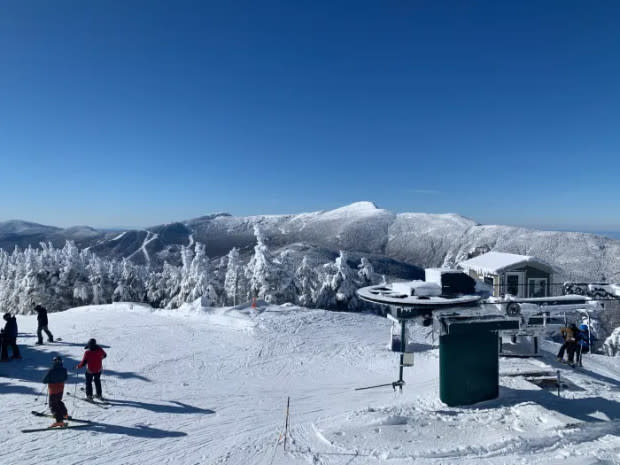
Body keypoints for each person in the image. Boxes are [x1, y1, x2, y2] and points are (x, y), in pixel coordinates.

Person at [42, 356, 69, 427]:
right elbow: (66, 378)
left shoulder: (51, 370)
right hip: (60, 389)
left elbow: (44, 380)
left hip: (53, 390)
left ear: (54, 362)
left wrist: (50, 380)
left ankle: (59, 421)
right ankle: (64, 414)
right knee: (58, 401)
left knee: (53, 405)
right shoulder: (64, 369)